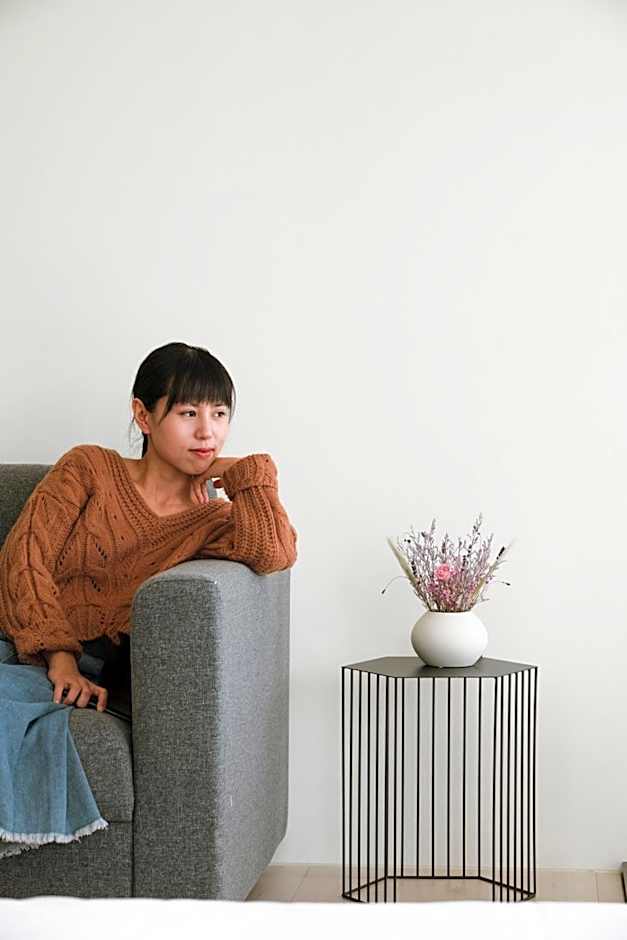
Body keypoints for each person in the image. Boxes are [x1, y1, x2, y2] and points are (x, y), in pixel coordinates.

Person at [0, 340, 298, 716]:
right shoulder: (88, 468)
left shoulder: (213, 522)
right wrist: (60, 658)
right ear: (143, 416)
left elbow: (274, 553)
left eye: (219, 414)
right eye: (188, 413)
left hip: (104, 676)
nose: (207, 432)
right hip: (26, 652)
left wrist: (246, 471)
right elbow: (24, 558)